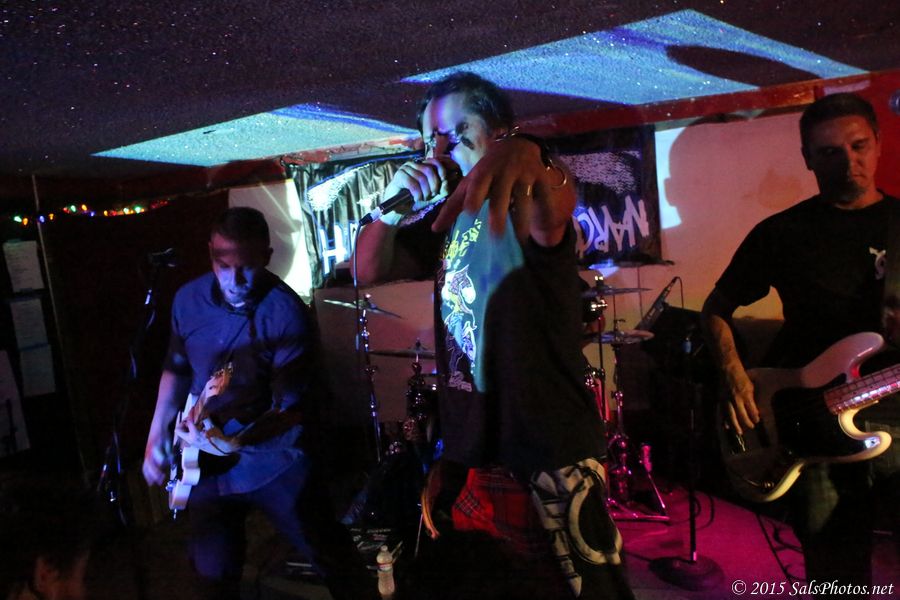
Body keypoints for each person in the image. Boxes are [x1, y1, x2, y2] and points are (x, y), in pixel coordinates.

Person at [355, 72, 634, 599]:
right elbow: (368, 270)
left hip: (545, 449)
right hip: (475, 448)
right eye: (431, 140)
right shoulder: (447, 222)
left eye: (459, 132)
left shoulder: (523, 201)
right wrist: (387, 208)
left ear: (500, 132)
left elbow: (555, 203)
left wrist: (529, 152)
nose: (442, 150)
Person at [701, 93, 900, 593]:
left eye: (859, 146)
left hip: (897, 414)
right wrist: (735, 377)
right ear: (808, 158)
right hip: (809, 421)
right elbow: (716, 308)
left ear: (878, 144)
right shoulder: (782, 232)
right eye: (830, 152)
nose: (848, 162)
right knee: (835, 573)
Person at [142, 207, 376, 600]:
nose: (234, 281)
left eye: (246, 268)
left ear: (267, 257)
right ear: (210, 253)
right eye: (223, 266)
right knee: (211, 577)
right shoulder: (187, 300)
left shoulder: (286, 314)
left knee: (331, 555)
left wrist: (235, 441)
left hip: (274, 459)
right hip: (207, 464)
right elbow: (176, 367)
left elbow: (289, 410)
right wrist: (156, 436)